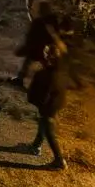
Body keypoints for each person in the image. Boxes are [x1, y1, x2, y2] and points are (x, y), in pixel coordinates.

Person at [26, 34, 70, 170]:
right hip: (56, 103)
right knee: (43, 123)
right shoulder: (61, 72)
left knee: (50, 131)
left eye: (45, 54)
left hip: (48, 106)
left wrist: (38, 103)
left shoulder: (44, 75)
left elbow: (41, 95)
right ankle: (36, 145)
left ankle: (59, 160)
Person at [15, 0, 60, 87]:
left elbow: (31, 38)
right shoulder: (54, 20)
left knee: (28, 60)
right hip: (49, 50)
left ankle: (21, 79)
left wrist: (25, 48)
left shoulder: (38, 22)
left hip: (37, 50)